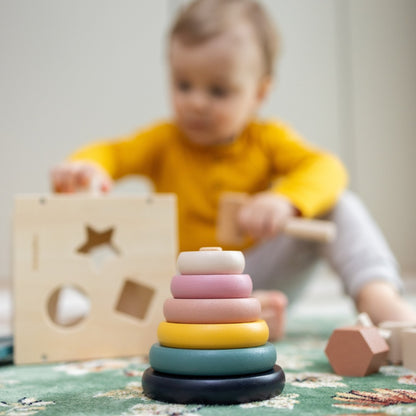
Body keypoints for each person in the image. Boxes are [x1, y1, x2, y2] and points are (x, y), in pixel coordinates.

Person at [50, 0, 416, 340]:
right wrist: (87, 169)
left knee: (340, 206)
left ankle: (377, 296)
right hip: (182, 285)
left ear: (259, 93)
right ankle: (246, 317)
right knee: (119, 295)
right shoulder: (163, 141)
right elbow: (111, 153)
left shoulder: (267, 140)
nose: (195, 102)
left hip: (252, 270)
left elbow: (327, 167)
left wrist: (284, 200)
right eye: (183, 84)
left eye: (218, 91)